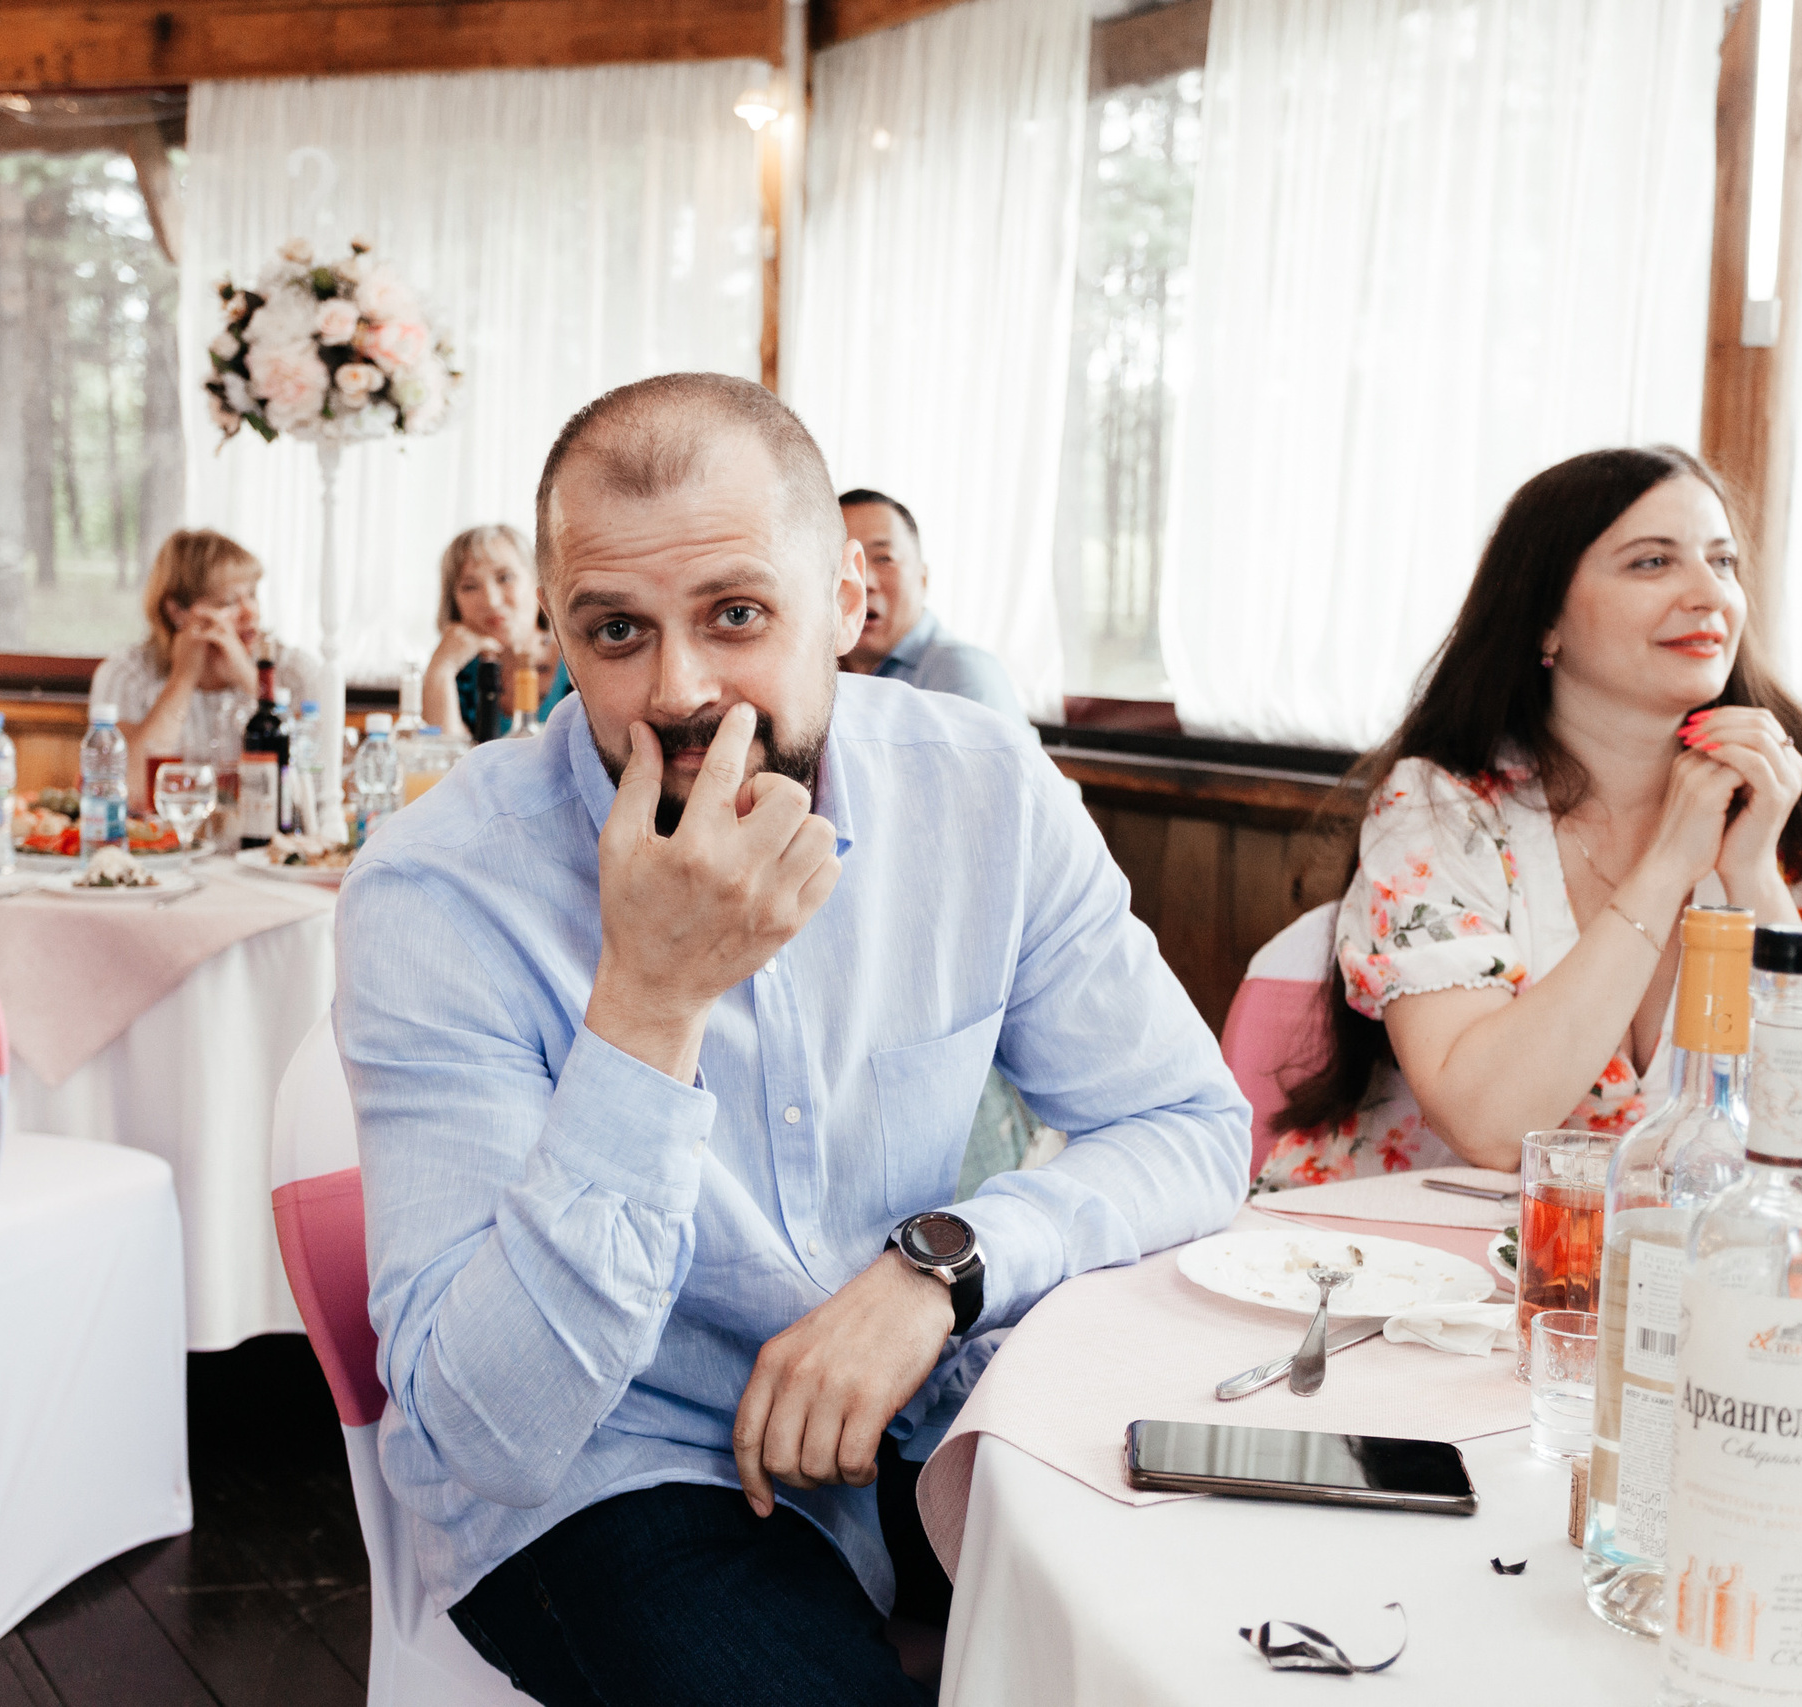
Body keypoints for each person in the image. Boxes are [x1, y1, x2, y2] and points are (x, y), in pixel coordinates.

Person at [337, 373, 1250, 1704]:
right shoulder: (438, 890)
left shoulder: (984, 790)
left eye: (737, 614)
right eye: (615, 630)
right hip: (613, 1460)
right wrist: (648, 1004)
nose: (681, 687)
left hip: (933, 1395)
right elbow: (491, 1431)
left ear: (849, 602)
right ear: (560, 636)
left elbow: (1192, 1126)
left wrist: (939, 1266)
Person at [1259, 446, 1802, 1190]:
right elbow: (1487, 1124)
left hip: (1687, 1275)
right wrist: (1667, 864)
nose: (1711, 594)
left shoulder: (1800, 799)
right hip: (1403, 1267)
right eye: (1651, 563)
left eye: (1724, 561)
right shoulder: (1440, 808)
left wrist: (1754, 882)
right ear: (1546, 620)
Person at [91, 529, 329, 801]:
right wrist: (183, 677)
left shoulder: (294, 670)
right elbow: (127, 791)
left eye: (252, 595)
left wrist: (248, 677)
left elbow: (316, 789)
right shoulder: (127, 675)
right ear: (177, 612)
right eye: (228, 601)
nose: (251, 612)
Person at [836, 489, 1023, 722]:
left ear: (922, 579)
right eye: (840, 562)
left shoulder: (961, 673)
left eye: (884, 558)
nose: (862, 582)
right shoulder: (813, 671)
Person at [421, 522, 572, 739]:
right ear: (454, 603)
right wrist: (441, 670)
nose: (491, 601)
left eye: (505, 578)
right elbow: (444, 763)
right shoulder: (460, 675)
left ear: (539, 583)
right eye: (470, 586)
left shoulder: (575, 660)